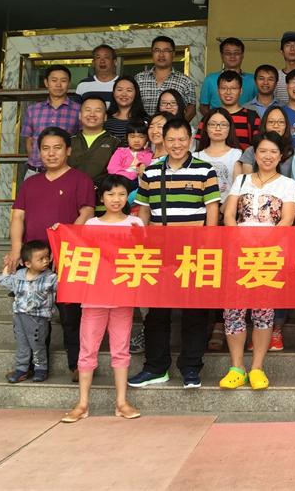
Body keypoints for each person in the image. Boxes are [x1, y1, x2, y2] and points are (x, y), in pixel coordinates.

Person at [129, 117, 220, 389]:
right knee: (157, 313)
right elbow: (144, 210)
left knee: (195, 313)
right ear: (163, 140)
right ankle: (156, 368)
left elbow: (212, 210)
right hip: (159, 253)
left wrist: (209, 245)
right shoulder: (151, 171)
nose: (177, 145)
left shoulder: (205, 170)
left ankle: (191, 368)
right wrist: (142, 243)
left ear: (190, 140)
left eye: (182, 139)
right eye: (171, 140)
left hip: (194, 253)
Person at [6, 128, 94, 379]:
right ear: (39, 152)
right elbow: (18, 217)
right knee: (31, 316)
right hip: (32, 262)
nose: (51, 153)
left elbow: (86, 213)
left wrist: (65, 244)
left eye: (57, 148)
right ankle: (32, 366)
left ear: (68, 150)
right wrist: (16, 250)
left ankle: (77, 366)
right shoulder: (30, 183)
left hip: (67, 257)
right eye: (45, 148)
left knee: (70, 316)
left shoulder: (81, 180)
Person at [218, 131, 295, 391]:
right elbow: (229, 215)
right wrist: (239, 241)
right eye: (263, 151)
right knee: (233, 311)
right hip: (238, 253)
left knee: (263, 311)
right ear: (255, 153)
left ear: (281, 155)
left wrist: (264, 244)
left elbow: (287, 219)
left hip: (268, 255)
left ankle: (257, 368)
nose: (268, 156)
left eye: (273, 152)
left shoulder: (287, 184)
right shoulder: (241, 180)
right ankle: (236, 367)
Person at [61, 175, 143, 422]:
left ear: (127, 197)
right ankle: (82, 404)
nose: (116, 199)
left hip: (123, 296)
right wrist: (60, 233)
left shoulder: (135, 223)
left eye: (121, 194)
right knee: (87, 349)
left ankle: (122, 402)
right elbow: (81, 254)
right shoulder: (91, 224)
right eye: (110, 194)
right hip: (94, 296)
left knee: (121, 349)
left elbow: (143, 255)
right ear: (101, 198)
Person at [0, 240, 57, 384]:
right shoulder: (19, 276)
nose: (46, 261)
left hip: (39, 319)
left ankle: (41, 369)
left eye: (47, 257)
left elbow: (64, 287)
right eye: (41, 259)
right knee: (22, 344)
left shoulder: (51, 278)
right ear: (27, 263)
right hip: (20, 317)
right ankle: (21, 369)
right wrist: (7, 266)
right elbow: (5, 281)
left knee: (38, 344)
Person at [22, 65, 80, 177]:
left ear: (69, 84)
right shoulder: (33, 110)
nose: (58, 85)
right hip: (35, 171)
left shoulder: (78, 110)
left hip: (64, 172)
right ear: (46, 83)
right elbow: (29, 141)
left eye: (63, 81)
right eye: (54, 80)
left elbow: (80, 142)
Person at [67, 95, 119, 199]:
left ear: (105, 117)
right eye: (88, 110)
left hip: (102, 199)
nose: (92, 114)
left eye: (97, 110)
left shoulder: (115, 142)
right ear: (80, 115)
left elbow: (117, 175)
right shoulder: (69, 141)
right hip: (70, 197)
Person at [194, 71, 260, 151]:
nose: (228, 92)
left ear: (241, 91)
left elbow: (258, 148)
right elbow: (200, 147)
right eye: (223, 88)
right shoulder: (208, 117)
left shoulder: (252, 117)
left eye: (233, 88)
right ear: (218, 91)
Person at [135, 36, 196, 120]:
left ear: (173, 54)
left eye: (166, 50)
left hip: (173, 127)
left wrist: (179, 125)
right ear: (152, 53)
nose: (161, 55)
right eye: (157, 50)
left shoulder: (185, 81)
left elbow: (191, 109)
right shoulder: (139, 79)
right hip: (144, 127)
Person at [193, 108, 243, 199]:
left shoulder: (237, 155)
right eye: (213, 124)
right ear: (206, 128)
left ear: (230, 128)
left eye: (223, 124)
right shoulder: (196, 157)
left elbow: (237, 191)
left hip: (227, 206)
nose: (218, 128)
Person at [200, 37, 255, 117]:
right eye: (228, 53)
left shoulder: (253, 80)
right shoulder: (210, 79)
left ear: (242, 55)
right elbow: (203, 106)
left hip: (245, 123)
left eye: (236, 53)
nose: (232, 56)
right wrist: (215, 119)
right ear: (222, 56)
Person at [239, 105, 294, 178]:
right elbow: (247, 182)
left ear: (286, 126)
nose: (276, 126)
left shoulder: (294, 154)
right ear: (264, 125)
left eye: (281, 122)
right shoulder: (251, 151)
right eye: (271, 122)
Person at [106, 120, 153, 199]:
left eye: (141, 137)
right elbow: (111, 169)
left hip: (138, 184)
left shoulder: (149, 154)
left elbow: (144, 169)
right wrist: (132, 175)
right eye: (132, 136)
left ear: (147, 139)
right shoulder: (120, 151)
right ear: (126, 137)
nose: (136, 140)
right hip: (120, 182)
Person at [104, 76, 146, 144]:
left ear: (136, 93)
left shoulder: (145, 120)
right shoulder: (105, 119)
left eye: (129, 90)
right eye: (119, 90)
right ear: (113, 93)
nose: (124, 94)